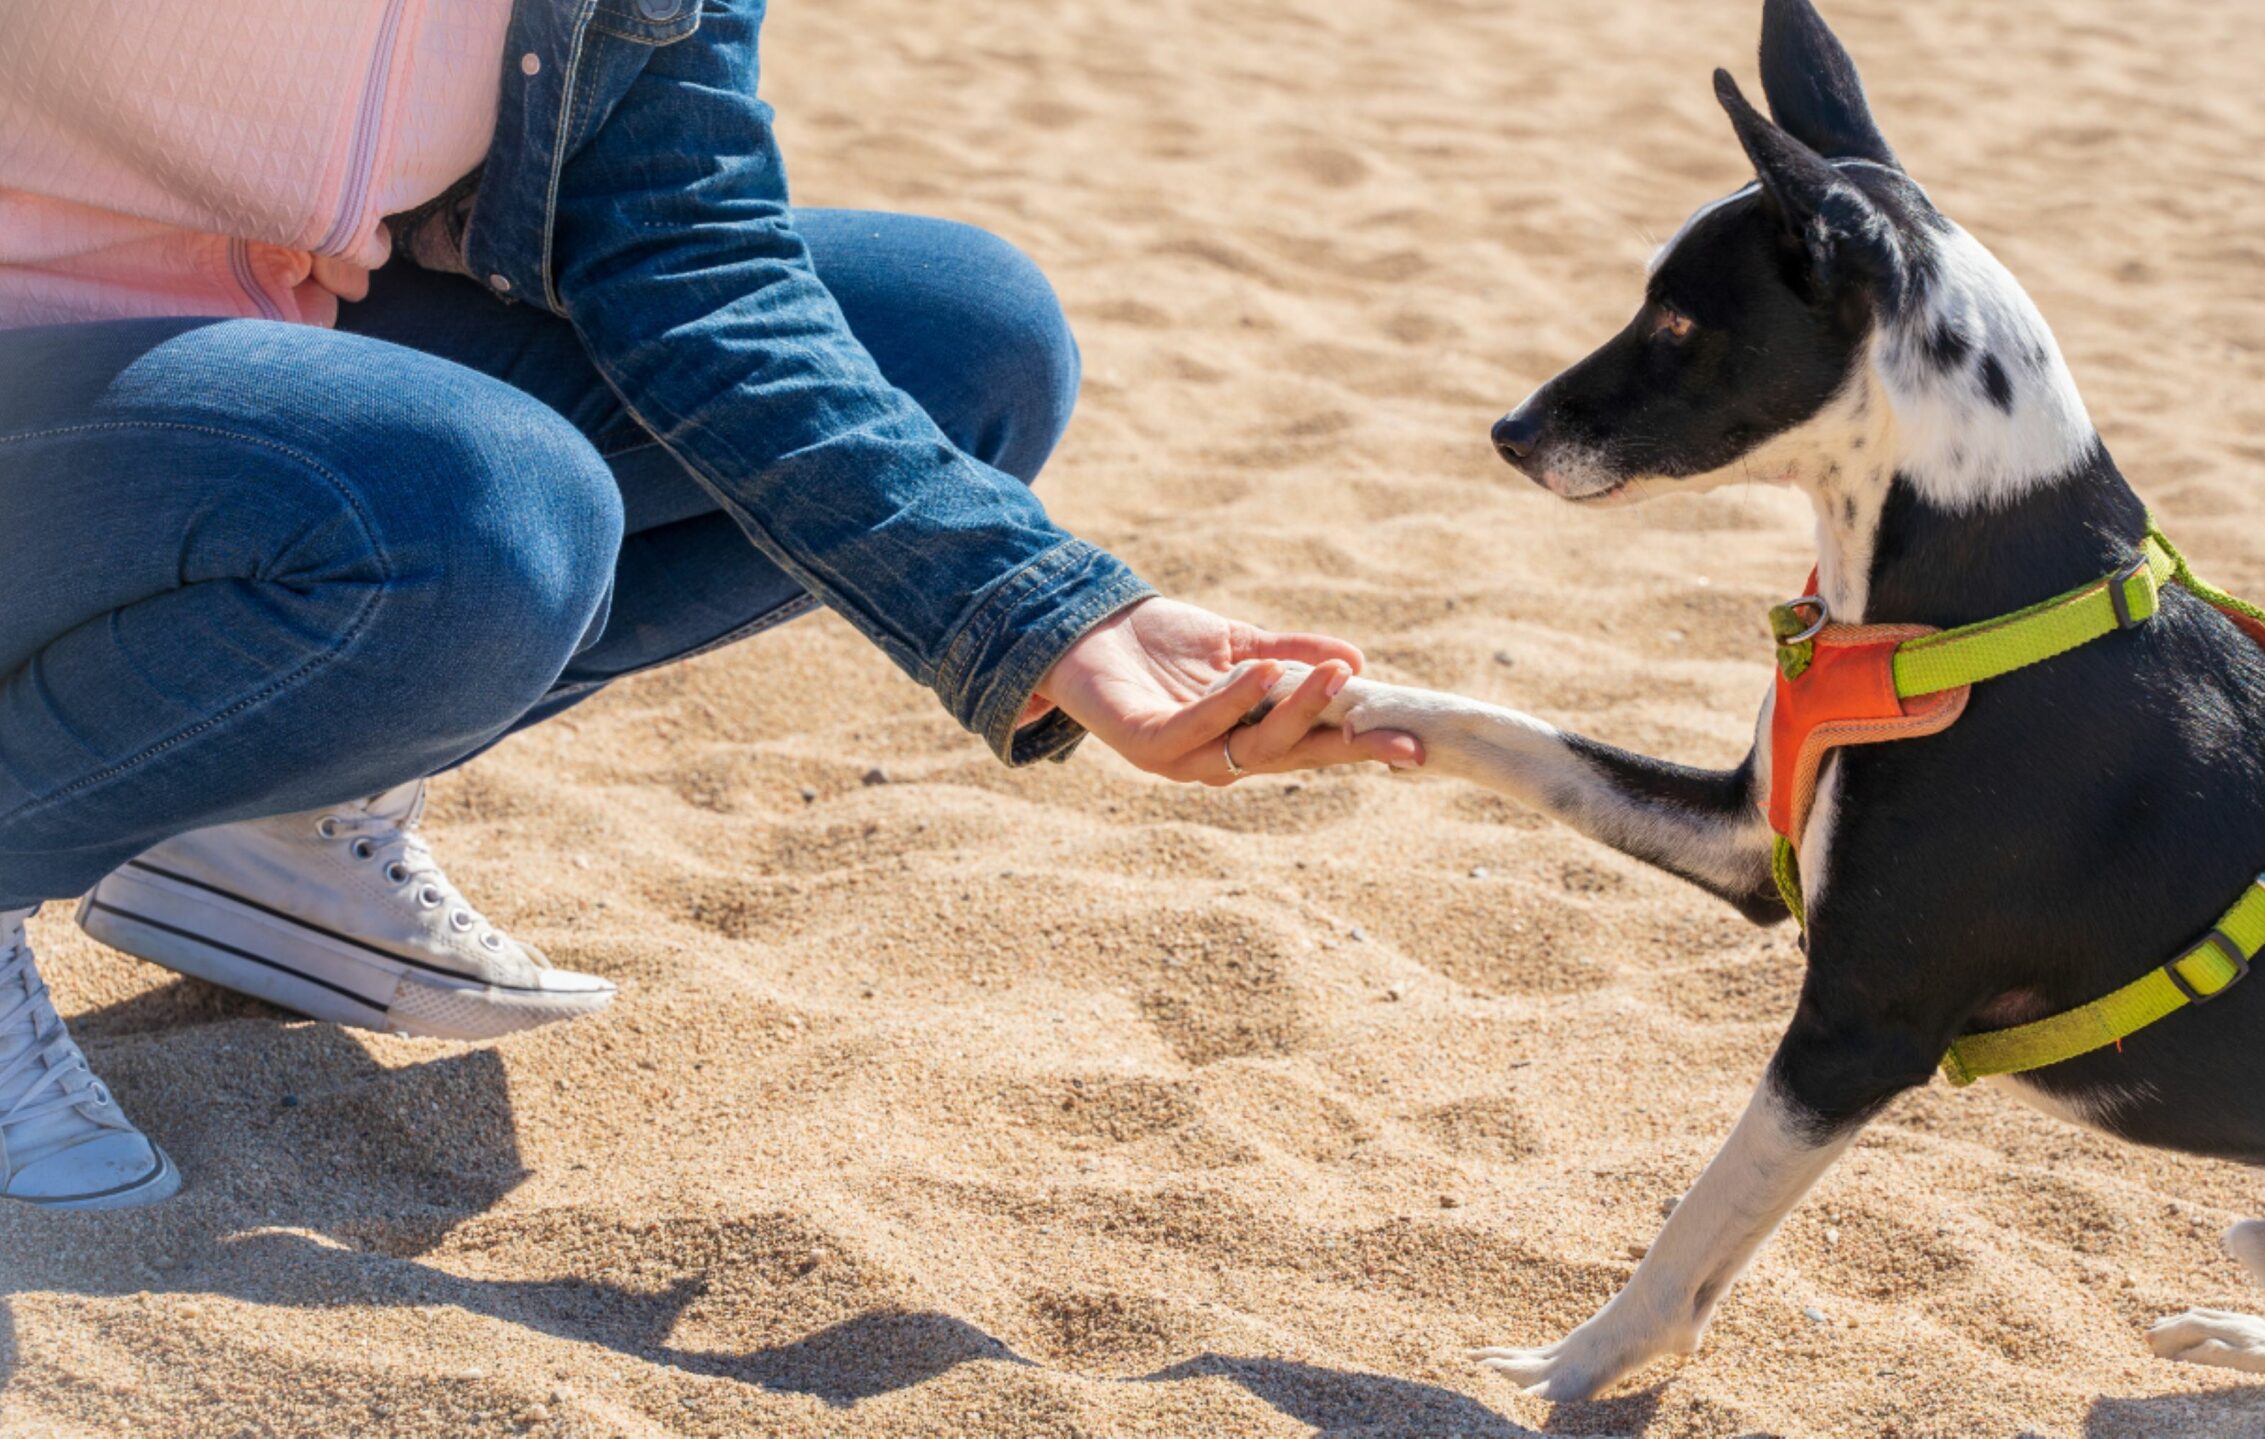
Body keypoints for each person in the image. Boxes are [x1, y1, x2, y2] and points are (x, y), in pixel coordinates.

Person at [0, 0, 1417, 1210]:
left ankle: (256, 804)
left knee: (955, 345)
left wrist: (1053, 615)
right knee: (475, 515)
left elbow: (686, 249)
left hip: (263, 347)